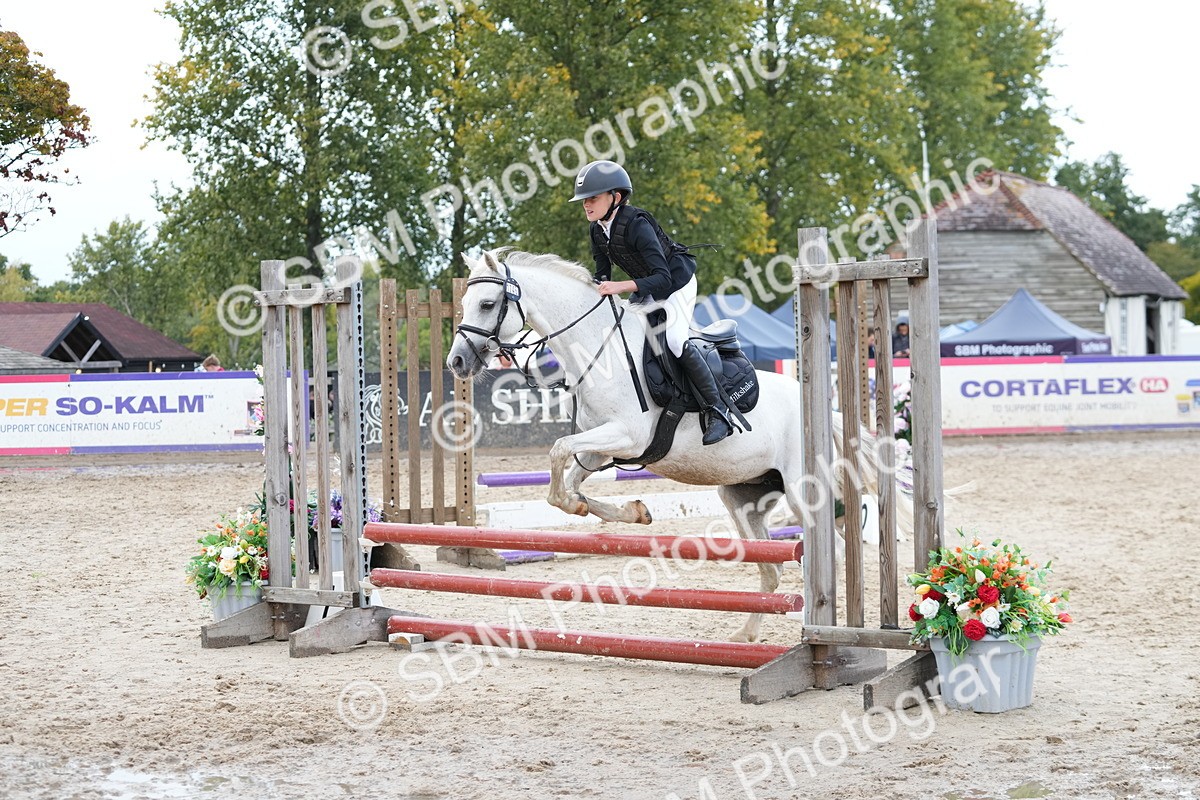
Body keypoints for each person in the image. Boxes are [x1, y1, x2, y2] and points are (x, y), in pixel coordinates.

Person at [570, 159, 732, 445]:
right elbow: (601, 274)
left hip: (676, 283)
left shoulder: (638, 224)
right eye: (584, 199)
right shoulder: (597, 230)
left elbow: (662, 277)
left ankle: (718, 410)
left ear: (615, 197)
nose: (586, 204)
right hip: (648, 287)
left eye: (592, 198)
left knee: (675, 339)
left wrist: (619, 286)